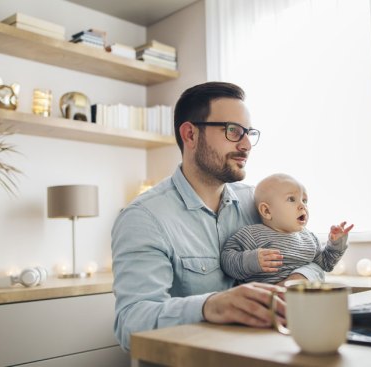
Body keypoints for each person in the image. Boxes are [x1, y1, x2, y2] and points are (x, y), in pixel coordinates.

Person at [111, 82, 324, 351]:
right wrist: (208, 306)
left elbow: (315, 259)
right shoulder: (143, 218)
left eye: (249, 133)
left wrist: (296, 281)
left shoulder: (259, 203)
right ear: (190, 135)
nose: (246, 144)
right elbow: (130, 324)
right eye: (233, 131)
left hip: (266, 354)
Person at [221, 173, 353, 284]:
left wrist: (336, 243)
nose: (302, 206)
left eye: (304, 200)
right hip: (263, 303)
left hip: (301, 301)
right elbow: (227, 259)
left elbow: (326, 264)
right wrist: (252, 260)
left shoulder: (309, 238)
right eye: (291, 199)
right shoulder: (252, 234)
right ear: (266, 211)